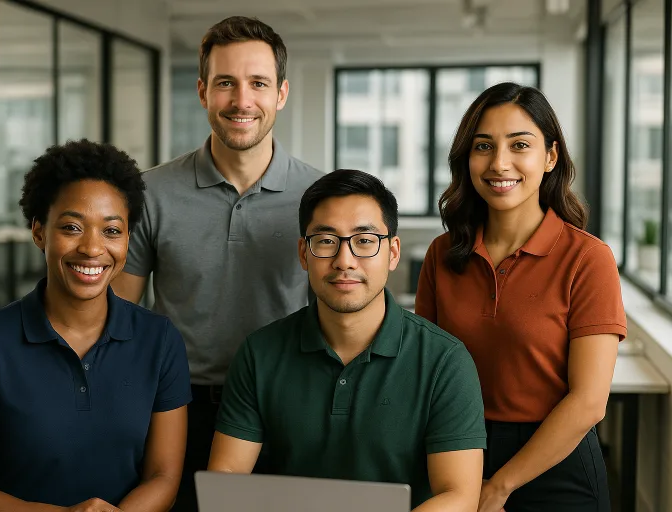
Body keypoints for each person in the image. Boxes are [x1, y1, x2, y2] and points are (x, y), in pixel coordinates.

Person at [111, 16, 322, 511]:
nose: (242, 100)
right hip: (176, 407)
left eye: (258, 84)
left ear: (282, 93)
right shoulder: (151, 192)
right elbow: (120, 316)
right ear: (203, 91)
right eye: (226, 82)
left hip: (287, 405)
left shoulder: (320, 196)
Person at [208, 169, 486, 512]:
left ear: (393, 252)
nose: (344, 261)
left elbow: (458, 495)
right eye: (326, 241)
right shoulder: (259, 353)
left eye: (365, 240)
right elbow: (227, 476)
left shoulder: (444, 361)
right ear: (303, 253)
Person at [0, 140, 192, 512]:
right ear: (39, 232)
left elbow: (164, 477)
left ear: (128, 241)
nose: (91, 248)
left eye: (111, 231)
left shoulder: (159, 340)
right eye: (72, 227)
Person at [415, 82, 625, 512]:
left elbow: (588, 402)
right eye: (484, 146)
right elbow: (426, 371)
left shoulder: (588, 258)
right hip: (457, 450)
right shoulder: (442, 254)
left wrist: (502, 484)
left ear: (550, 157)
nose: (499, 163)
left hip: (557, 463)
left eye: (519, 145)